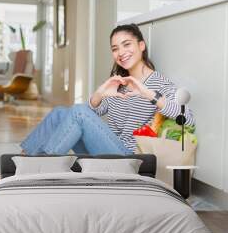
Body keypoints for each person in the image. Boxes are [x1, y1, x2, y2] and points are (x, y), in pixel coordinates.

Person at [21, 23, 194, 155]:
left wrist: (148, 94)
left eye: (127, 44)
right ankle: (20, 163)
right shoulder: (119, 83)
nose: (121, 52)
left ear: (141, 46)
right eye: (115, 48)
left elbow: (188, 118)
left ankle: (42, 165)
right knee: (60, 113)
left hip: (128, 157)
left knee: (78, 111)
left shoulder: (159, 83)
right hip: (105, 149)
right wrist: (100, 93)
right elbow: (84, 117)